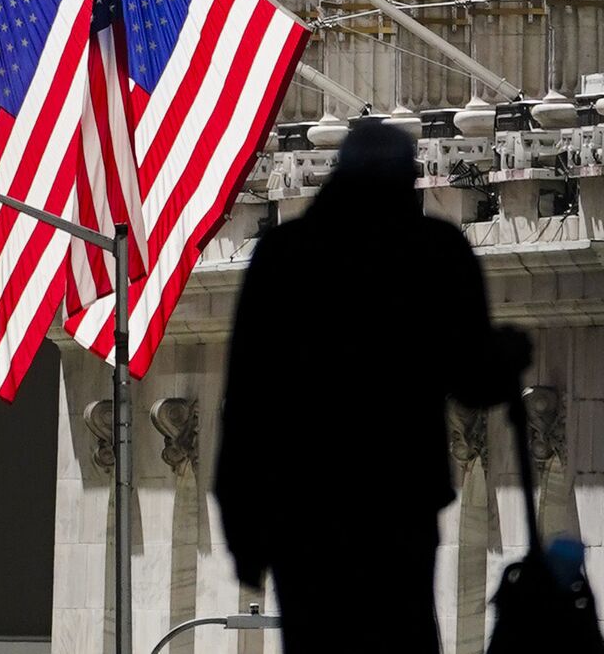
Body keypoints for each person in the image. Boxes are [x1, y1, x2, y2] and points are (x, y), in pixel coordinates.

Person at [214, 121, 528, 652]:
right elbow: (475, 379)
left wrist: (244, 532)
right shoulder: (433, 253)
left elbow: (247, 400)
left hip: (303, 511)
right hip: (396, 505)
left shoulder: (285, 256)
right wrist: (510, 353)